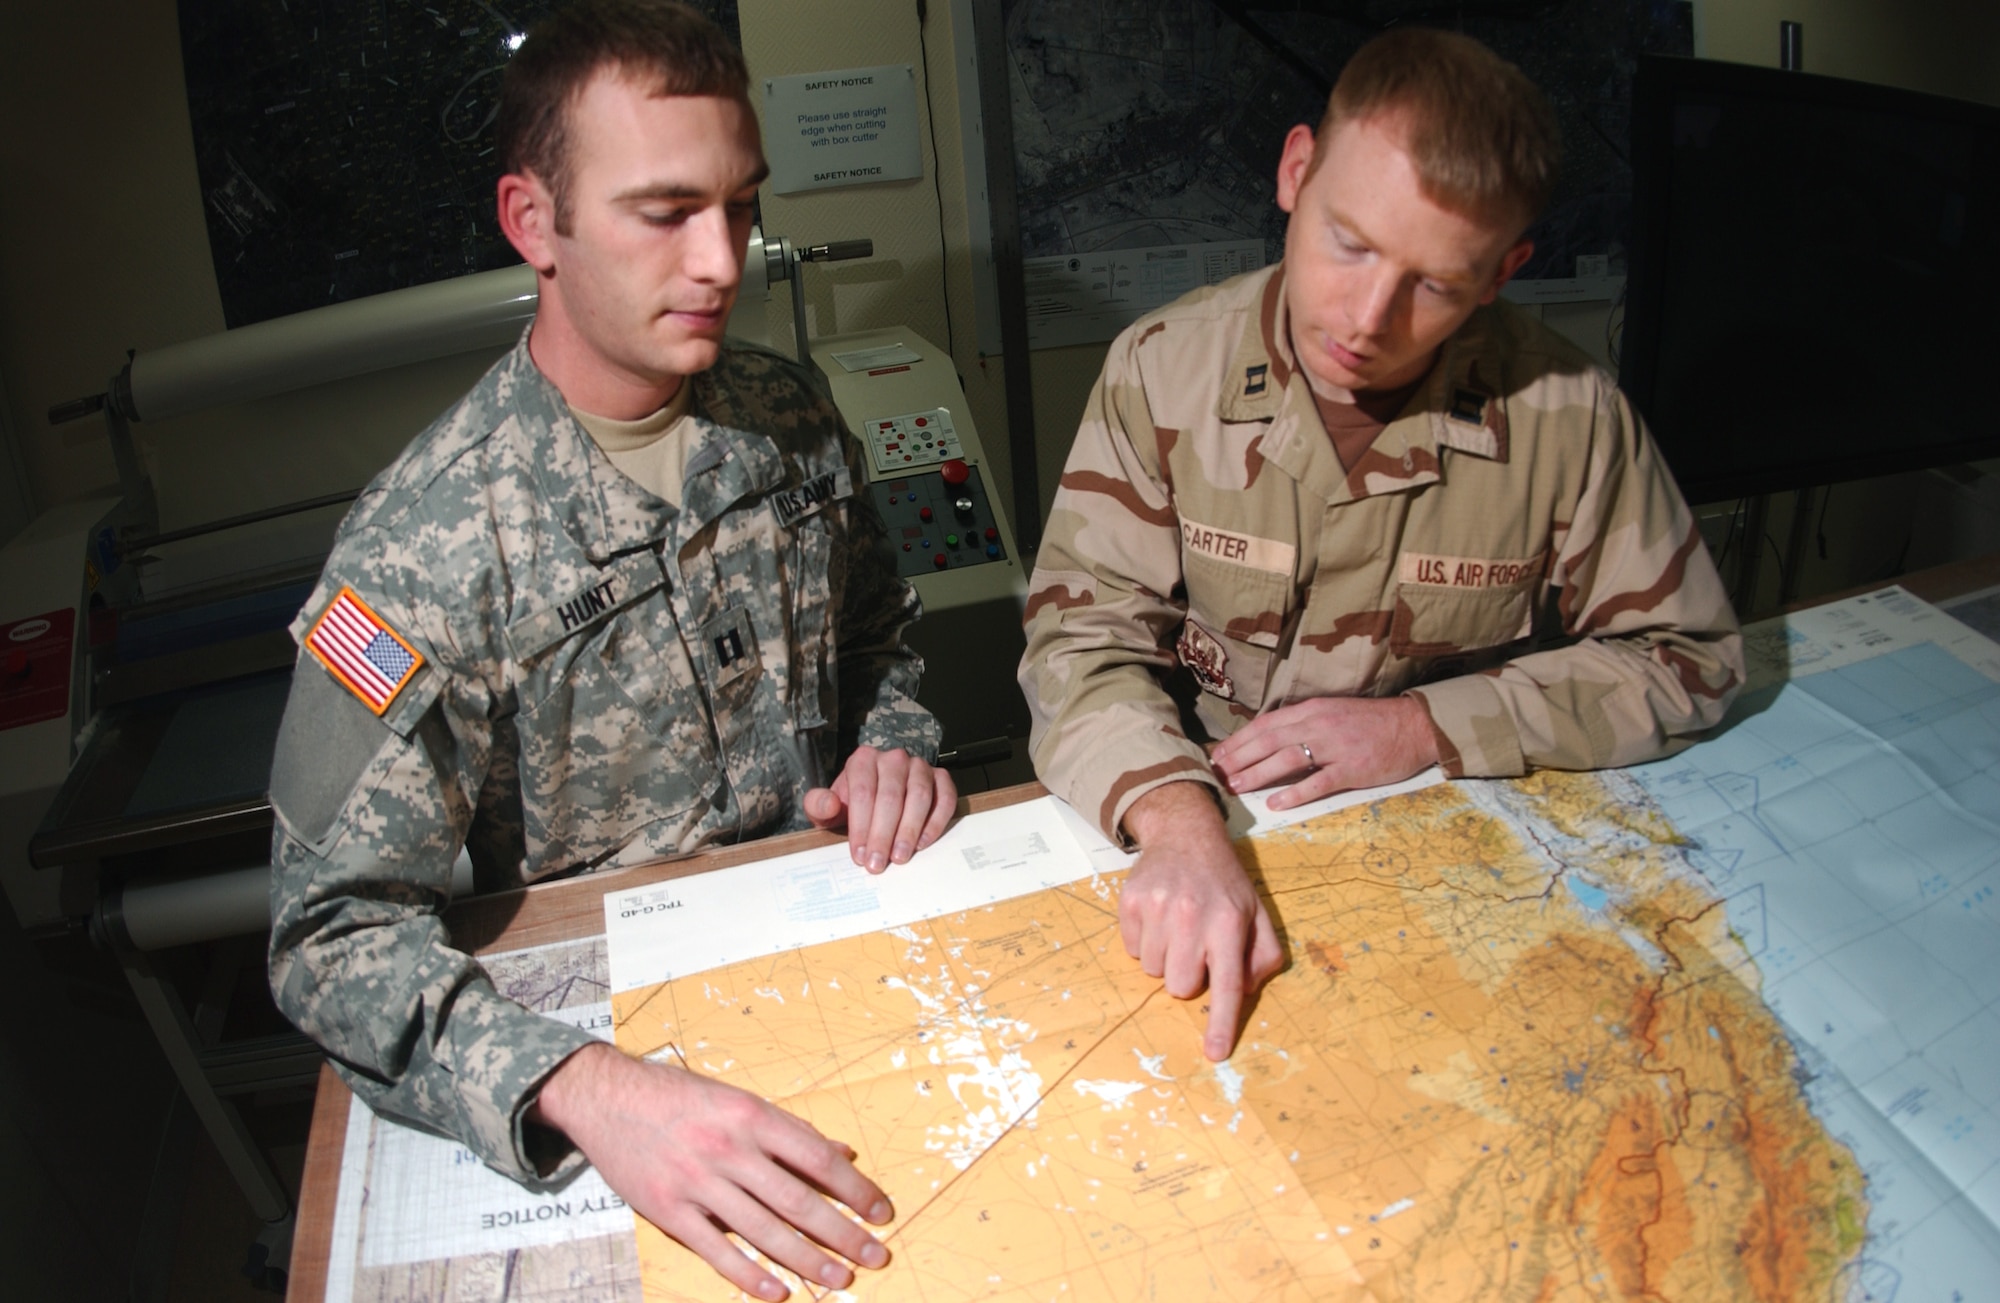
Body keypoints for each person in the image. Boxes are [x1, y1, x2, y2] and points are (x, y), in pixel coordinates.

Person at [265, 4, 952, 1297]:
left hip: (835, 951)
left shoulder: (788, 416)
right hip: (600, 1056)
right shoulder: (422, 548)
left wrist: (894, 744)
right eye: (665, 211)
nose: (721, 259)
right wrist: (581, 1083)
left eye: (741, 208)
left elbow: (878, 639)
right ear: (535, 223)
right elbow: (327, 933)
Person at [1019, 28, 1744, 1068]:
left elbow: (1687, 659)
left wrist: (1417, 727)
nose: (1366, 319)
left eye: (1434, 286)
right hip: (1197, 831)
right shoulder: (1160, 373)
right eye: (1348, 244)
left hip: (1450, 877)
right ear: (1293, 170)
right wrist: (1177, 826)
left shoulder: (1568, 415)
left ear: (1501, 273)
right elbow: (1077, 639)